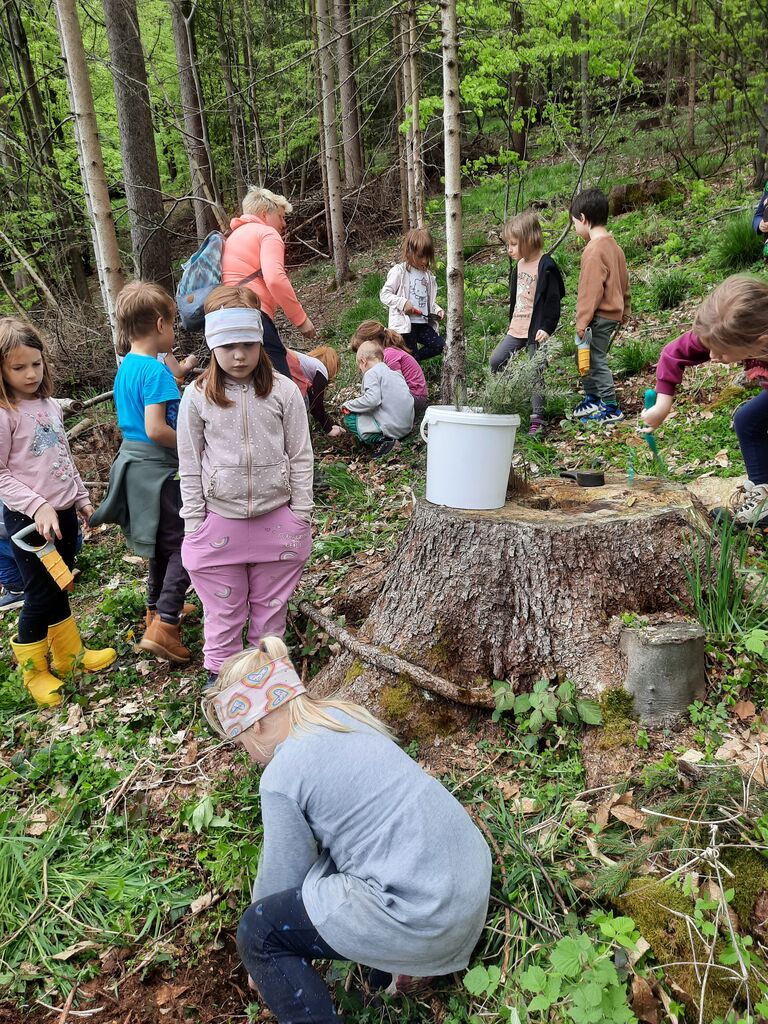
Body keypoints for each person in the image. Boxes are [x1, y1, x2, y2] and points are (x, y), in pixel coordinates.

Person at [201, 636, 492, 1024]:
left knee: (259, 931)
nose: (249, 757)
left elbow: (282, 878)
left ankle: (397, 967)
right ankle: (389, 975)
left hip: (426, 917)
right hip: (467, 889)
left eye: (241, 745)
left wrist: (262, 965)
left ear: (255, 724)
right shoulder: (347, 718)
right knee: (343, 859)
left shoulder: (282, 775)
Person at [177, 286, 313, 688]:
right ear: (211, 345)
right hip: (219, 524)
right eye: (228, 346)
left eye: (248, 345)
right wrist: (195, 523)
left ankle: (267, 681)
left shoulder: (284, 391)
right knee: (223, 611)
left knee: (271, 611)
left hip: (278, 521)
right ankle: (221, 681)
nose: (239, 356)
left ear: (260, 341)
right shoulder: (197, 397)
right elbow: (189, 463)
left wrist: (301, 514)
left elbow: (300, 454)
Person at [0, 320, 115, 705]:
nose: (31, 374)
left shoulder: (49, 405)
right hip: (28, 523)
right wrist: (38, 505)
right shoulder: (4, 413)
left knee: (60, 584)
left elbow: (62, 458)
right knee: (39, 593)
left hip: (62, 515)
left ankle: (70, 656)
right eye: (18, 367)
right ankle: (34, 672)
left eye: (36, 364)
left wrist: (81, 499)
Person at [91, 282, 192, 664]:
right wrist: (192, 444)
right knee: (186, 542)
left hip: (133, 466)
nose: (174, 331)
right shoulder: (155, 371)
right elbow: (156, 429)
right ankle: (166, 624)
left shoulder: (127, 368)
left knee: (160, 544)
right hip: (158, 472)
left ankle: (156, 609)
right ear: (161, 323)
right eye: (173, 324)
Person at [643, 275, 768, 527]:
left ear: (760, 343)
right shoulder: (727, 331)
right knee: (747, 421)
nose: (711, 355)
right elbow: (673, 354)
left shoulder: (746, 335)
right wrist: (662, 405)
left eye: (721, 351)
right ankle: (763, 499)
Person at [221, 187, 316, 378]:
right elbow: (275, 279)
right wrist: (301, 320)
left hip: (223, 317)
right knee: (280, 385)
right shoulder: (266, 233)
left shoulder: (232, 238)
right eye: (280, 216)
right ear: (265, 214)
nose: (284, 223)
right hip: (252, 313)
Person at [489, 211, 565, 435]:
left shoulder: (546, 265)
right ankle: (517, 390)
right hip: (517, 327)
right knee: (496, 360)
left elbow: (553, 300)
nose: (509, 249)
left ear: (529, 239)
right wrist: (511, 322)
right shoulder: (519, 266)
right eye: (508, 245)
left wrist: (547, 327)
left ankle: (537, 419)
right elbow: (516, 298)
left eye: (513, 244)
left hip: (536, 330)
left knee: (535, 372)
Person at [570, 188, 631, 423]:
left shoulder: (593, 250)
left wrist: (582, 322)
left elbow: (590, 291)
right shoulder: (615, 247)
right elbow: (625, 282)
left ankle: (610, 405)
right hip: (612, 314)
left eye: (574, 223)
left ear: (583, 219)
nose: (575, 229)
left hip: (599, 316)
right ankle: (593, 398)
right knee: (584, 356)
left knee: (594, 358)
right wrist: (625, 310)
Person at [379, 227, 445, 362]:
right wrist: (402, 303)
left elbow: (426, 300)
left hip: (422, 323)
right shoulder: (400, 271)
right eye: (420, 256)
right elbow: (384, 294)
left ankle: (411, 360)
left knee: (440, 346)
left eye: (427, 256)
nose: (424, 261)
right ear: (409, 252)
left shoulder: (427, 276)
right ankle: (411, 363)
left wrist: (436, 309)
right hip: (405, 326)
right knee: (412, 356)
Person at [342, 341, 414, 458]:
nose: (360, 370)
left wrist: (348, 405)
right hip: (406, 426)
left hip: (393, 428)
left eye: (359, 367)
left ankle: (383, 441)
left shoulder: (371, 373)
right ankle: (388, 438)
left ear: (363, 361)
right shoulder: (395, 373)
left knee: (350, 417)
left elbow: (372, 400)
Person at [349, 320, 428, 416]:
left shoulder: (389, 354)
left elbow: (395, 386)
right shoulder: (386, 353)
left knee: (374, 401)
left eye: (361, 348)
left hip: (415, 396)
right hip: (411, 395)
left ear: (372, 341)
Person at [288, 345, 346, 438]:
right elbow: (318, 404)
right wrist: (328, 429)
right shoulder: (321, 370)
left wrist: (330, 424)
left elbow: (313, 405)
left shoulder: (306, 366)